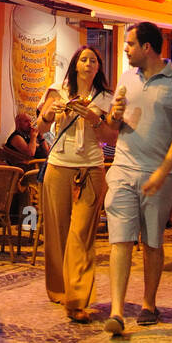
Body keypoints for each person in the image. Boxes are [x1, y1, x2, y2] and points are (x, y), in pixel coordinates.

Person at [100, 22, 172, 334]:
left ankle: (149, 302)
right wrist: (114, 114)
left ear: (147, 48)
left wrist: (162, 172)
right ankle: (116, 310)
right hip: (123, 167)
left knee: (152, 241)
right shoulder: (127, 78)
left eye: (129, 44)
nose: (125, 49)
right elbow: (115, 127)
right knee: (121, 239)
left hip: (159, 174)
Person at [38, 45, 115, 323]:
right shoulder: (57, 91)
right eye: (84, 59)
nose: (89, 64)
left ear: (98, 67)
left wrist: (95, 120)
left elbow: (114, 137)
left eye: (93, 60)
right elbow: (40, 128)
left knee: (81, 234)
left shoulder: (106, 98)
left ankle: (77, 298)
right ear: (75, 65)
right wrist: (50, 114)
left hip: (91, 167)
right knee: (57, 232)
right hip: (59, 166)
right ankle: (58, 289)